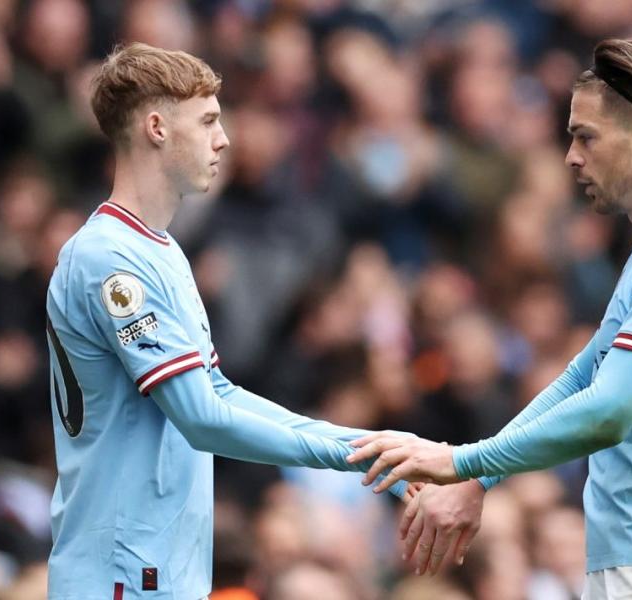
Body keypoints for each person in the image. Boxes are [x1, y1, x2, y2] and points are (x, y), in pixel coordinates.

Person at [348, 38, 632, 599]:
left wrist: (460, 460)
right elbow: (582, 378)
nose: (571, 156)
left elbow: (609, 412)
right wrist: (477, 476)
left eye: (585, 136)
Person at [45, 42, 416, 599]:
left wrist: (368, 444)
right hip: (119, 573)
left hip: (160, 568)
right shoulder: (108, 258)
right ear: (156, 128)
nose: (224, 139)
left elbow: (219, 393)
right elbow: (202, 418)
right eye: (209, 121)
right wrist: (348, 455)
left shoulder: (164, 251)